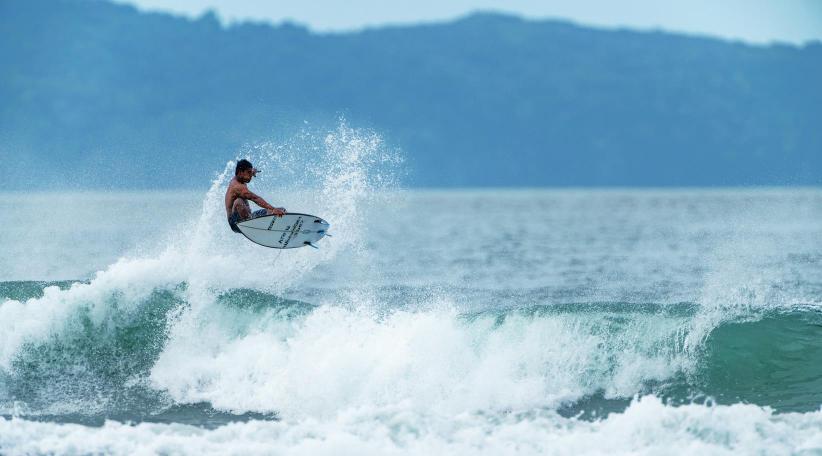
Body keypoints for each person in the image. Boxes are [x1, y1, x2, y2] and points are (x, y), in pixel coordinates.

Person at [225, 159, 286, 233]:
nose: (250, 175)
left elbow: (245, 171)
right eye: (249, 172)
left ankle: (283, 227)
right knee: (238, 202)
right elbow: (255, 198)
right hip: (236, 223)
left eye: (251, 172)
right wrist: (273, 209)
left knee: (281, 210)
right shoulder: (237, 187)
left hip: (248, 216)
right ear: (241, 172)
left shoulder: (240, 177)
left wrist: (252, 171)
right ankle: (252, 226)